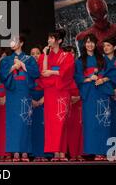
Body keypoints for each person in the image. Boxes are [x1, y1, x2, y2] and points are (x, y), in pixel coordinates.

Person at [75, 34, 116, 161]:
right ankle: (95, 152)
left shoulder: (103, 59)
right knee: (91, 123)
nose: (90, 44)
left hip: (102, 93)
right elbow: (77, 77)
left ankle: (104, 151)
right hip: (89, 94)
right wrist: (89, 78)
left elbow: (114, 74)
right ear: (84, 44)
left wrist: (103, 79)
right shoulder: (79, 61)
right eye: (87, 42)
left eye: (92, 42)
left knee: (103, 123)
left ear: (95, 44)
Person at [0, 35, 40, 162]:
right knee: (13, 123)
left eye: (15, 41)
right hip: (12, 92)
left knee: (25, 121)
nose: (13, 43)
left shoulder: (29, 59)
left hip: (24, 92)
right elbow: (2, 75)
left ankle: (25, 151)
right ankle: (15, 151)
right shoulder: (6, 60)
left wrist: (22, 64)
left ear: (21, 43)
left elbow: (36, 73)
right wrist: (13, 67)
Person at [38, 29, 74, 162]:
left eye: (52, 38)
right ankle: (55, 153)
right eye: (49, 38)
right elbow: (43, 72)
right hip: (50, 92)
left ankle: (62, 152)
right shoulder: (43, 56)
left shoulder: (67, 55)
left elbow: (66, 73)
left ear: (59, 41)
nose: (49, 40)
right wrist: (46, 56)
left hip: (62, 91)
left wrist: (51, 73)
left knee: (62, 121)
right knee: (51, 123)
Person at [63, 45, 84, 162]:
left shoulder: (79, 65)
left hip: (79, 99)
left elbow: (84, 81)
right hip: (66, 99)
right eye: (67, 53)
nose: (70, 55)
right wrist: (69, 97)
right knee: (68, 127)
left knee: (79, 127)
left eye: (72, 53)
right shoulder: (63, 67)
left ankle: (79, 153)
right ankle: (70, 153)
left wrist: (79, 95)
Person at [30, 46, 50, 162]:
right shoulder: (27, 67)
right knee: (33, 128)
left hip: (44, 98)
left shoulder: (45, 66)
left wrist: (44, 98)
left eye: (38, 53)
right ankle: (35, 153)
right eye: (33, 53)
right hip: (31, 99)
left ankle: (44, 153)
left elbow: (50, 84)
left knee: (44, 127)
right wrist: (30, 100)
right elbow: (23, 85)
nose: (35, 56)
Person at [0, 47, 11, 162]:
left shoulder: (11, 71)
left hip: (8, 104)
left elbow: (15, 86)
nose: (1, 60)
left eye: (4, 57)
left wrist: (6, 97)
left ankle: (8, 153)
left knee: (8, 129)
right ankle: (0, 153)